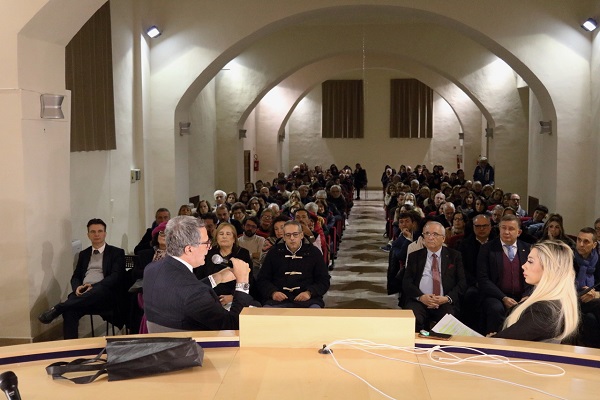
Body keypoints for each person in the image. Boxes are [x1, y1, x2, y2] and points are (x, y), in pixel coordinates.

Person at [143, 216, 255, 331]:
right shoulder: (195, 293)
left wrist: (216, 278)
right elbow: (232, 325)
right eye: (206, 242)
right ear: (189, 249)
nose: (209, 247)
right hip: (194, 345)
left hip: (161, 343)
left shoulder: (151, 270)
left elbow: (181, 293)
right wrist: (242, 283)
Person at [38, 219, 126, 339]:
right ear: (88, 235)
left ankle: (59, 308)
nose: (96, 234)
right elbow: (76, 276)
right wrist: (77, 287)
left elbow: (115, 277)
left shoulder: (116, 252)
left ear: (105, 233)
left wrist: (93, 287)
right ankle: (71, 348)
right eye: (93, 232)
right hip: (84, 294)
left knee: (96, 291)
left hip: (105, 295)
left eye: (100, 231)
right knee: (70, 311)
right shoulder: (84, 254)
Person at [493, 240, 579, 342]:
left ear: (549, 267)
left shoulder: (543, 310)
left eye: (530, 261)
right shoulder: (554, 304)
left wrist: (492, 339)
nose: (523, 266)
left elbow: (502, 342)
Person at [402, 221, 466, 332]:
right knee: (414, 319)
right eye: (427, 234)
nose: (430, 237)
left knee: (449, 320)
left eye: (435, 234)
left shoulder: (454, 256)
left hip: (444, 300)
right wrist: (421, 297)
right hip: (419, 300)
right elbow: (406, 282)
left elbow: (462, 283)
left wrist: (446, 298)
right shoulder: (415, 256)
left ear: (443, 238)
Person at [477, 215, 531, 335]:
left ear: (519, 232)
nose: (506, 232)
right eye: (503, 228)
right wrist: (503, 297)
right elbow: (483, 279)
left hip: (522, 295)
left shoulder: (528, 249)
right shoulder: (487, 249)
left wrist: (527, 295)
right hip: (496, 296)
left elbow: (534, 276)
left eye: (511, 229)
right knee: (495, 309)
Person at [256, 220, 330, 307]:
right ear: (283, 237)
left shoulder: (314, 252)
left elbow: (324, 280)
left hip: (308, 300)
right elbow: (262, 279)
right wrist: (273, 292)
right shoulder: (273, 252)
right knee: (265, 316)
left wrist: (309, 293)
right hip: (277, 300)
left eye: (295, 234)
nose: (292, 238)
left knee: (314, 314)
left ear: (301, 235)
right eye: (288, 235)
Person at [194, 222, 256, 309]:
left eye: (228, 234)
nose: (224, 236)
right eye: (221, 234)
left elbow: (249, 280)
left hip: (234, 298)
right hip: (210, 298)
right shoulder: (208, 253)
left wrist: (232, 297)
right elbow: (199, 278)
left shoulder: (243, 254)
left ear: (234, 238)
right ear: (217, 238)